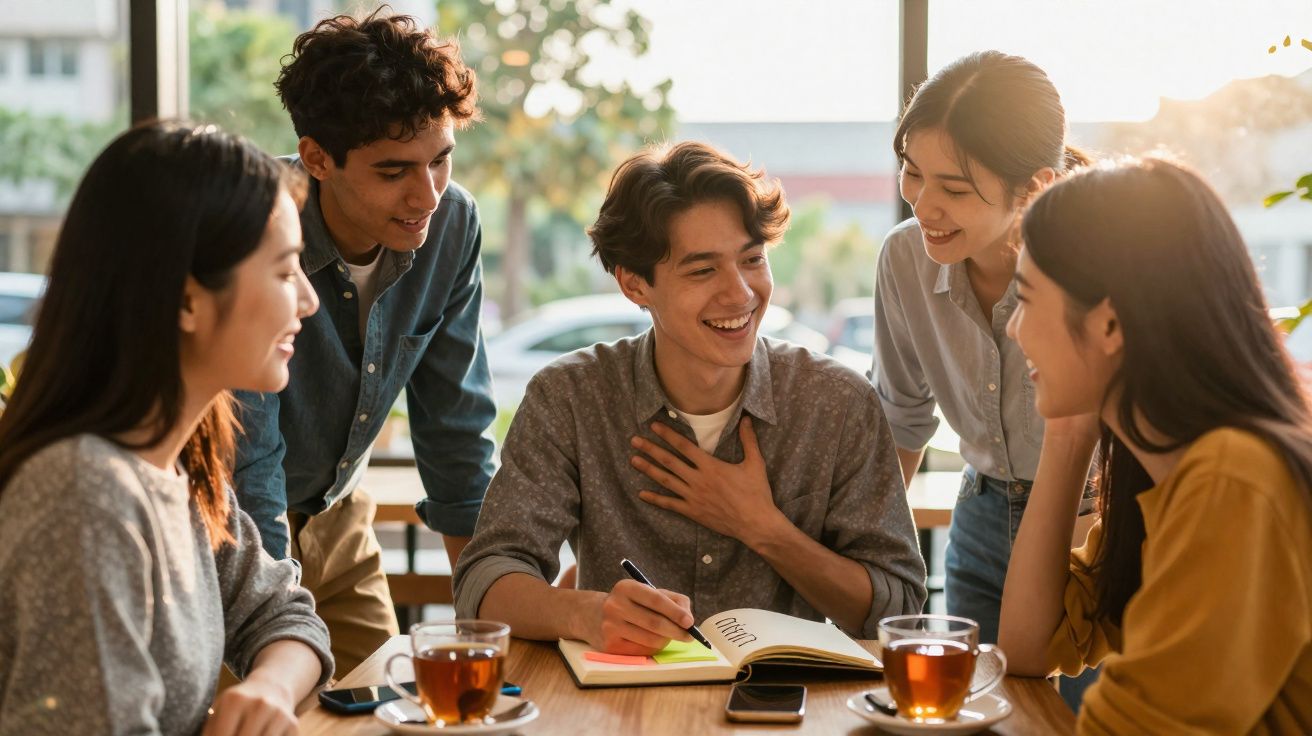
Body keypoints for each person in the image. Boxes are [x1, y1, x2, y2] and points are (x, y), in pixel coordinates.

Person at [453, 142, 926, 653]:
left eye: (752, 259)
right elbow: (484, 581)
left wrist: (763, 527)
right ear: (635, 285)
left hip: (787, 695)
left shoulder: (837, 402)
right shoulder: (570, 397)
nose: (740, 293)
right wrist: (586, 613)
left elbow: (898, 609)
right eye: (703, 270)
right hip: (621, 695)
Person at [0, 122, 332, 735]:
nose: (309, 301)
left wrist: (269, 688)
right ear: (186, 301)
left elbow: (286, 614)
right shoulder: (85, 494)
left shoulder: (179, 466)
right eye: (286, 272)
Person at [998, 157, 1312, 733]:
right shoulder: (1167, 473)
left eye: (1026, 299)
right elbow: (1028, 647)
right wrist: (1069, 432)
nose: (1014, 328)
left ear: (1110, 325)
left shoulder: (1232, 481)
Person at [233, 9, 497, 675]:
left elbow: (455, 428)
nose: (427, 195)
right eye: (393, 171)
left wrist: (488, 609)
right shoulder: (255, 223)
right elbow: (248, 459)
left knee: (386, 701)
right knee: (269, 706)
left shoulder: (453, 224)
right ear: (317, 158)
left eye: (441, 160)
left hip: (339, 518)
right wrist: (273, 627)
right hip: (233, 531)